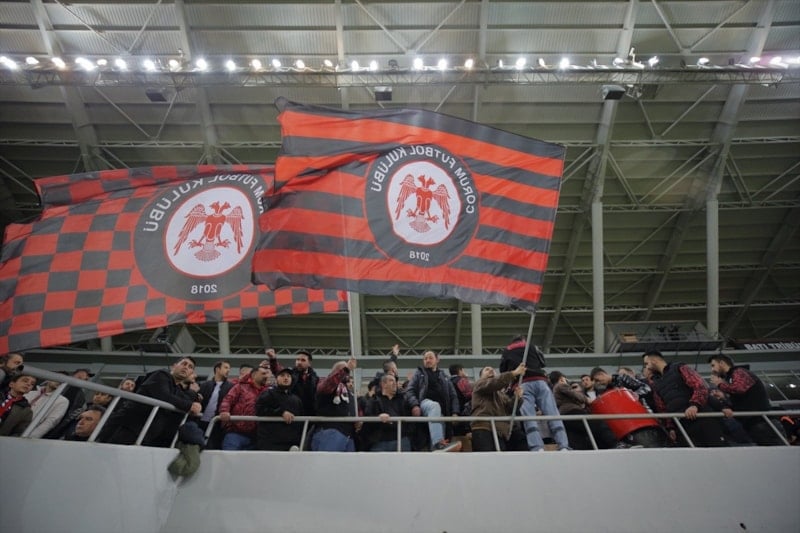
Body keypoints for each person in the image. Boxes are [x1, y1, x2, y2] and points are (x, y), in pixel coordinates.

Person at [98, 357, 202, 447]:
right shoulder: (161, 375)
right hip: (125, 427)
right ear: (174, 366)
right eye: (184, 364)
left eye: (190, 367)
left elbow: (184, 399)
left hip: (144, 434)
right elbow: (163, 395)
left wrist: (195, 403)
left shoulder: (177, 389)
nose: (186, 367)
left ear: (191, 373)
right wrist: (190, 406)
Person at [642, 351, 727, 447]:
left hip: (701, 417)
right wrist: (671, 428)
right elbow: (662, 407)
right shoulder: (656, 383)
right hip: (682, 425)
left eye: (647, 363)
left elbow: (700, 386)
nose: (647, 367)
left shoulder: (679, 368)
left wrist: (694, 405)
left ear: (654, 360)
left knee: (717, 447)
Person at [500, 336, 569, 451]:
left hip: (522, 384)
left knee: (529, 417)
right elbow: (542, 362)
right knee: (552, 413)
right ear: (523, 340)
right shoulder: (532, 346)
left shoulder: (507, 350)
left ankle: (537, 447)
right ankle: (563, 445)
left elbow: (503, 370)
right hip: (540, 381)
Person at [708, 354, 785, 445]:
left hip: (763, 423)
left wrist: (720, 384)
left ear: (722, 363)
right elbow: (739, 401)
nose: (712, 369)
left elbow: (739, 388)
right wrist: (724, 397)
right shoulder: (731, 378)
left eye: (713, 365)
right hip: (755, 424)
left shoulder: (739, 372)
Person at [406, 350, 461, 451]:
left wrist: (455, 412)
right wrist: (415, 405)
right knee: (434, 406)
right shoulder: (419, 374)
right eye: (425, 358)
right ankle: (438, 443)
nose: (427, 360)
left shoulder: (445, 377)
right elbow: (410, 390)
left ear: (437, 360)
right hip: (424, 404)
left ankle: (437, 449)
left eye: (430, 358)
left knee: (440, 420)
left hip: (440, 414)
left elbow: (453, 396)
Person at [550, 371, 617, 450]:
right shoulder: (561, 385)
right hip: (573, 412)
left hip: (565, 416)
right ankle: (614, 444)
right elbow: (574, 394)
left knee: (578, 437)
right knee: (598, 424)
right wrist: (586, 399)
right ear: (561, 379)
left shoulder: (554, 390)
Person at [470, 364, 526, 451]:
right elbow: (493, 383)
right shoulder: (479, 384)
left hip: (499, 431)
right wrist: (513, 373)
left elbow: (510, 409)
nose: (491, 370)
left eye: (493, 369)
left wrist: (517, 397)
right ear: (480, 376)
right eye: (487, 369)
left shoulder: (501, 394)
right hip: (484, 428)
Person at [312, 358, 360, 452]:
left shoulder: (350, 394)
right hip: (330, 430)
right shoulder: (325, 383)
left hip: (349, 435)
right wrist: (347, 369)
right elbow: (327, 386)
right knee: (328, 461)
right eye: (341, 369)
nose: (346, 373)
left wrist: (358, 421)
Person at [218, 365, 270, 450]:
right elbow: (228, 399)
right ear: (254, 375)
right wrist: (224, 411)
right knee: (229, 456)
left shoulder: (268, 392)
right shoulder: (240, 386)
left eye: (267, 374)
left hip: (257, 437)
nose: (266, 376)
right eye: (263, 374)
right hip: (235, 432)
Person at [255, 368, 304, 451]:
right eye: (282, 375)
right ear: (276, 378)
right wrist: (281, 412)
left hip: (291, 443)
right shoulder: (268, 394)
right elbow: (259, 410)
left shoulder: (296, 399)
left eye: (288, 376)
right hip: (270, 443)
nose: (286, 378)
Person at [363, 374, 413, 452]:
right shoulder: (374, 400)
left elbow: (409, 418)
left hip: (402, 440)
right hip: (380, 441)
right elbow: (367, 416)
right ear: (384, 384)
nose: (395, 383)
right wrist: (378, 417)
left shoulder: (403, 399)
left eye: (395, 381)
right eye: (391, 380)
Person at [265, 349, 320, 416]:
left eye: (303, 360)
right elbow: (278, 370)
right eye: (297, 359)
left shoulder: (315, 378)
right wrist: (273, 359)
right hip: (292, 412)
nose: (299, 362)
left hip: (311, 413)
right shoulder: (291, 374)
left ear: (309, 363)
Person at [198, 360, 233, 449]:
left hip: (219, 424)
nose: (228, 370)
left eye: (229, 368)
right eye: (226, 367)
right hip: (201, 422)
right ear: (217, 369)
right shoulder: (204, 385)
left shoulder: (231, 387)